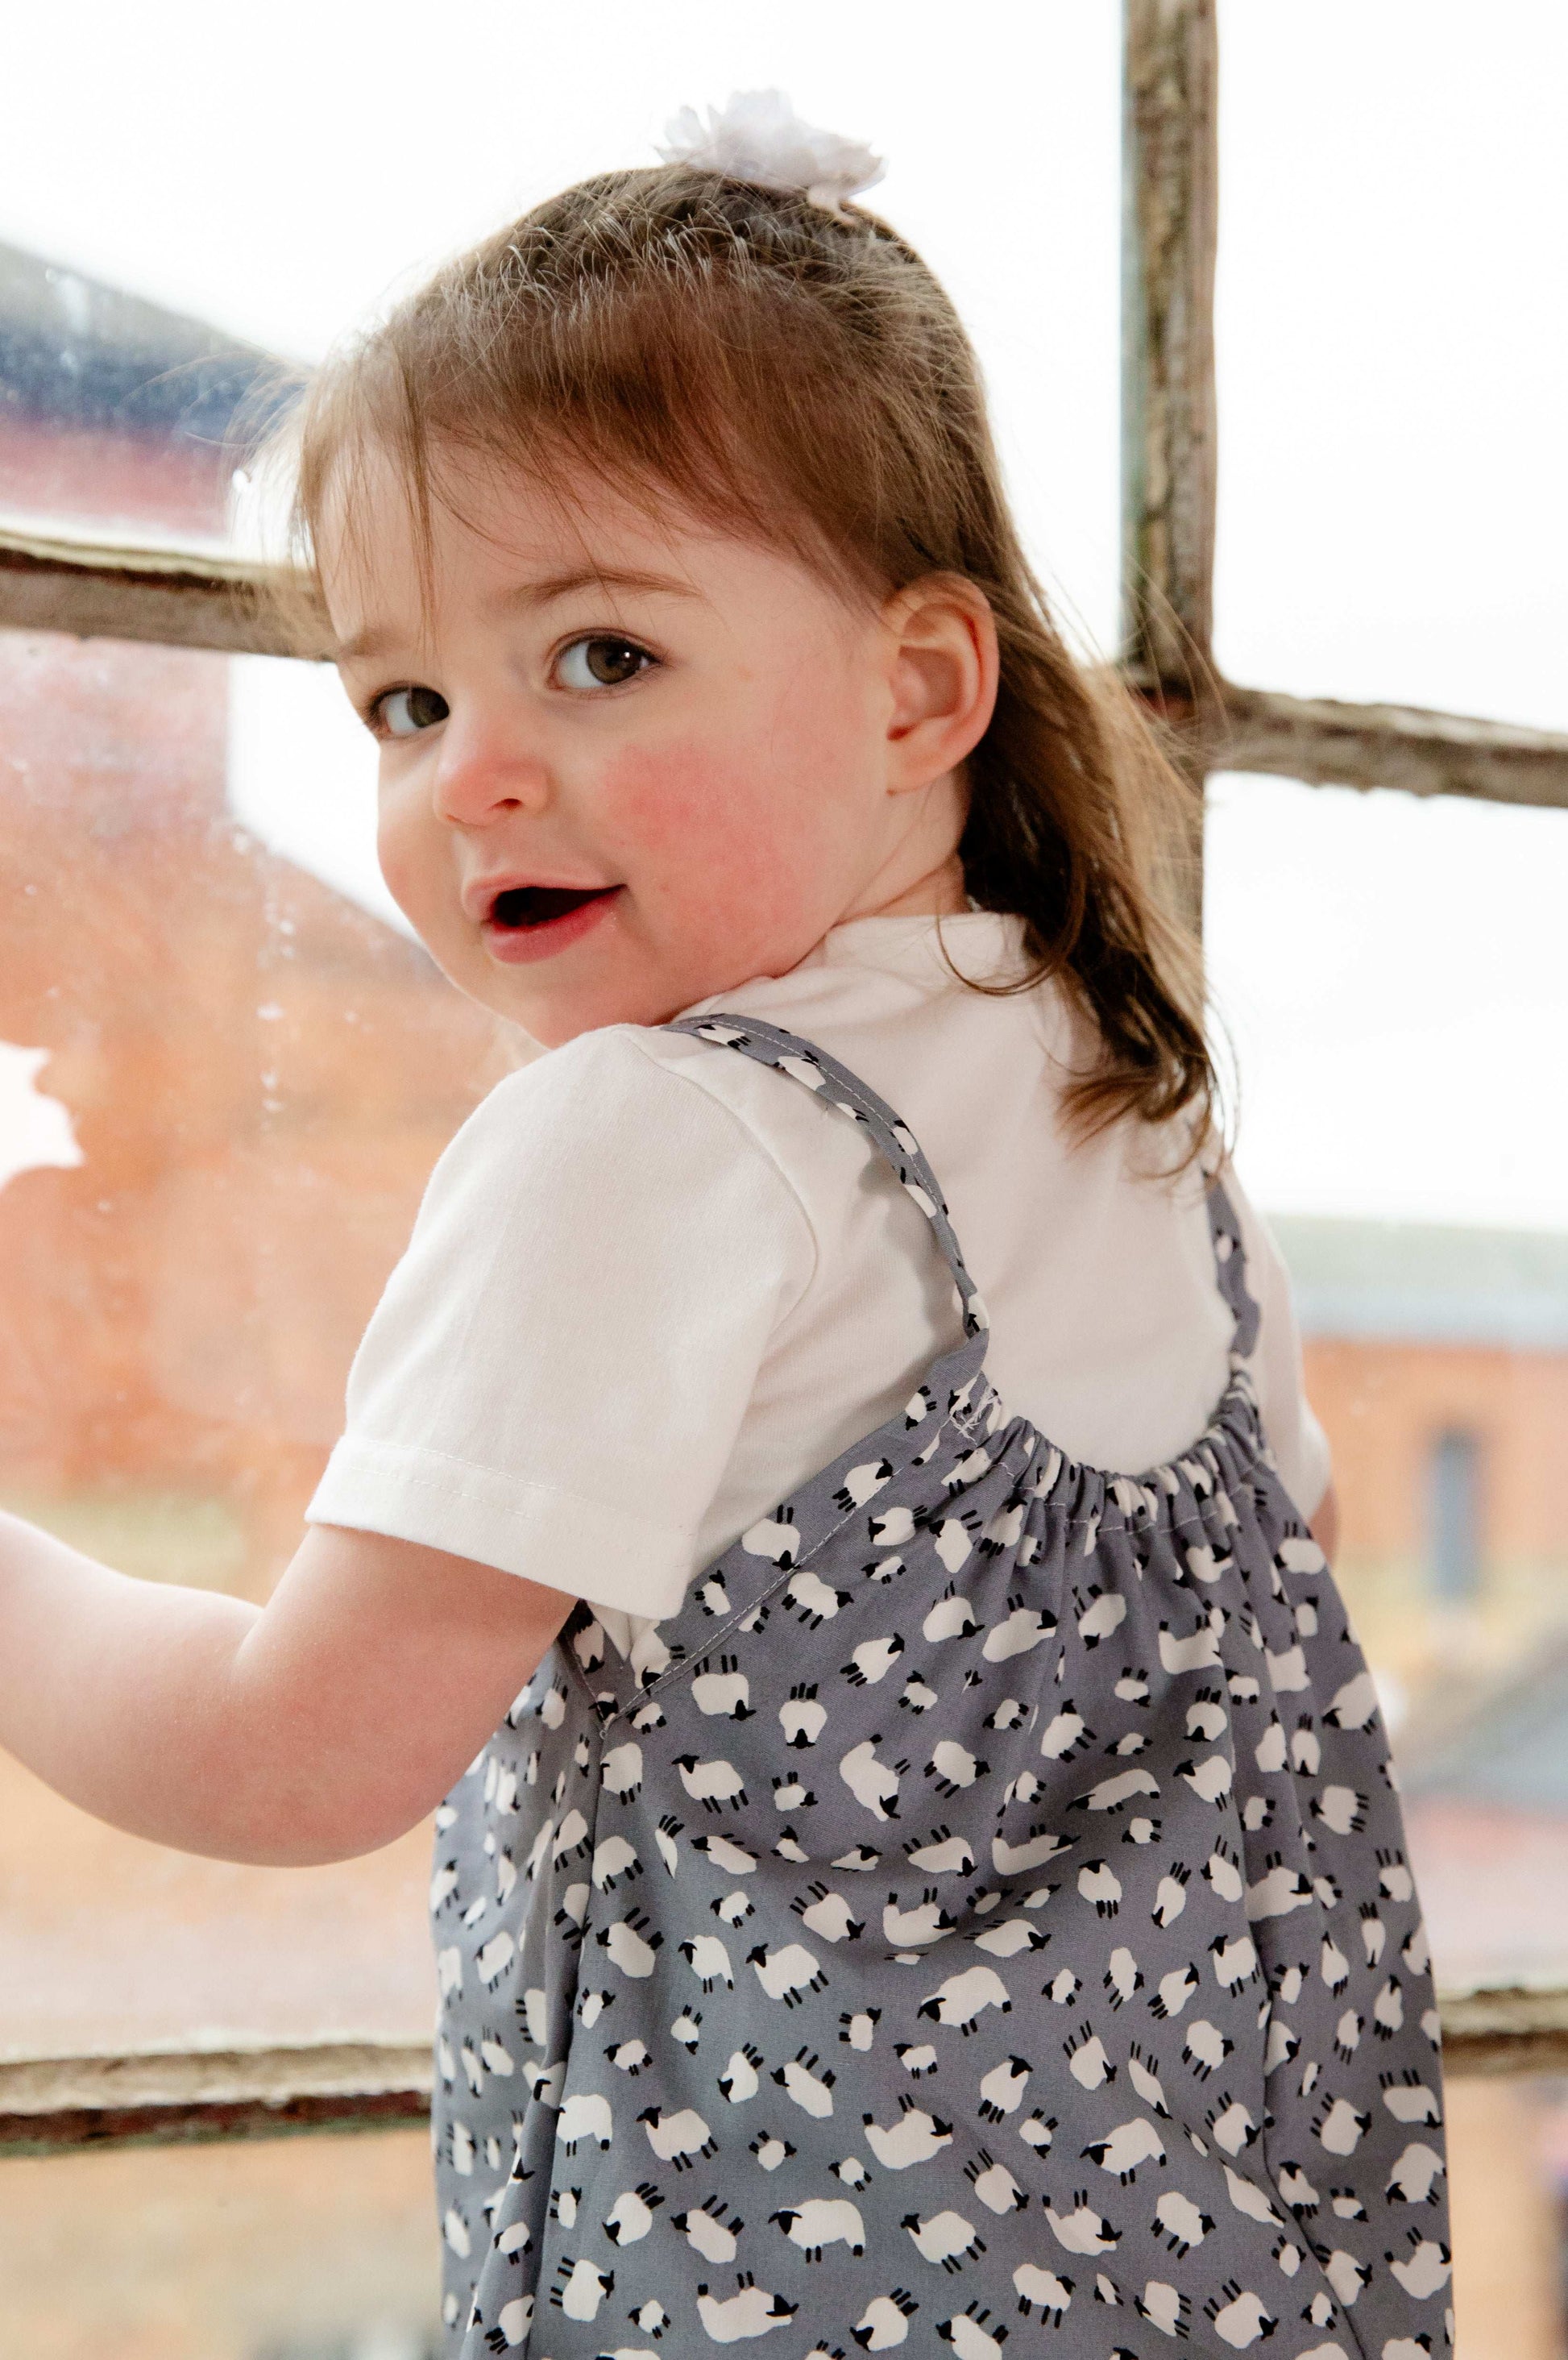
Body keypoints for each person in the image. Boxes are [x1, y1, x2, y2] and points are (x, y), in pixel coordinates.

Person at [0, 93, 1450, 2360]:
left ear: (918, 688)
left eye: (596, 657)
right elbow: (1287, 1542)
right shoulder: (1119, 1091)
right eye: (402, 696)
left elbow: (295, 1754)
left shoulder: (652, 1140)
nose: (468, 765)